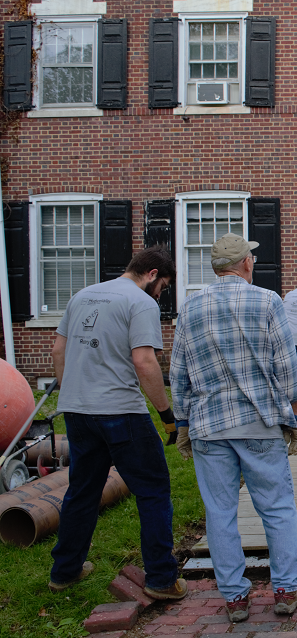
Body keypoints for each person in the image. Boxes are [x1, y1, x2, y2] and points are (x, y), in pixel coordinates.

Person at [170, 233, 297, 623]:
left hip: (209, 425)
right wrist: (294, 412)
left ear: (216, 267)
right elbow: (285, 364)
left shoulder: (190, 306)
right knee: (277, 507)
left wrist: (183, 420)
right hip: (259, 421)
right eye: (252, 258)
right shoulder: (266, 300)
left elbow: (178, 374)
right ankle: (284, 590)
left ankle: (235, 599)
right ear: (246, 263)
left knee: (220, 513)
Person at [49, 246, 187, 600]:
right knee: (153, 490)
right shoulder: (141, 303)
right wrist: (166, 415)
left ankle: (65, 572)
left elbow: (58, 351)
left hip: (77, 412)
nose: (162, 294)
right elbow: (144, 362)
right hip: (121, 412)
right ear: (153, 274)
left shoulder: (83, 295)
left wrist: (73, 395)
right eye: (164, 286)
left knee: (82, 491)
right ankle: (161, 579)